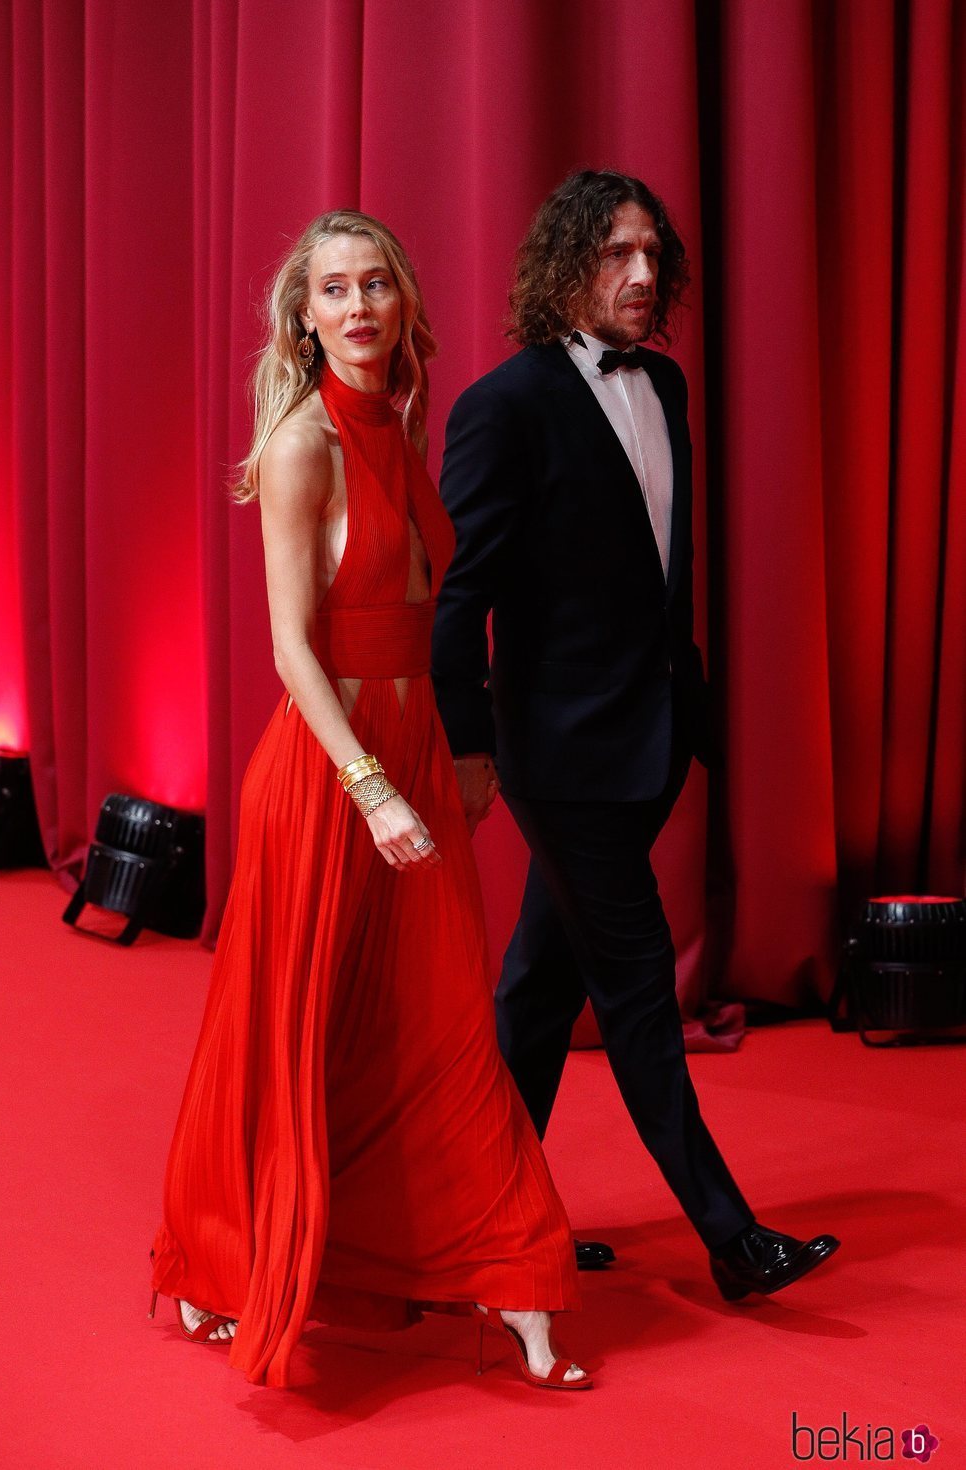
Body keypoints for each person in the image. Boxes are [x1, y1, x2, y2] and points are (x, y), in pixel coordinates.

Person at [149, 210, 590, 1391]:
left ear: (401, 303)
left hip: (411, 758)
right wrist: (373, 788)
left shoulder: (400, 424)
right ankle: (228, 1253)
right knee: (283, 1025)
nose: (356, 308)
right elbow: (293, 648)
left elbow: (431, 616)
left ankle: (503, 1267)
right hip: (328, 770)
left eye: (375, 285)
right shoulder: (302, 444)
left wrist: (453, 750)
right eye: (333, 290)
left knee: (437, 1022)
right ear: (305, 315)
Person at [432, 170, 840, 1299]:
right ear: (565, 265)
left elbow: (664, 579)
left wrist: (687, 706)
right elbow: (457, 595)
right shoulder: (503, 405)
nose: (642, 273)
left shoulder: (662, 384)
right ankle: (730, 1239)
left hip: (652, 741)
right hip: (556, 755)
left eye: (652, 252)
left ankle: (479, 1218)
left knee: (533, 991)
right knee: (636, 989)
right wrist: (468, 743)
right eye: (615, 252)